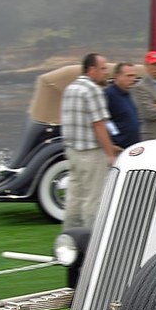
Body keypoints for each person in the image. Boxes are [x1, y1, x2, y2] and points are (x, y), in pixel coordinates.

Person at [61, 52, 119, 230]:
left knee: (74, 197)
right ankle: (91, 242)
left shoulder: (71, 89)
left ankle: (69, 237)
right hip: (91, 152)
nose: (106, 73)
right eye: (102, 69)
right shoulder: (93, 90)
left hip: (72, 151)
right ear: (91, 70)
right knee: (94, 198)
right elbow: (99, 125)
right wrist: (110, 154)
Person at [104, 61, 141, 149]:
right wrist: (114, 141)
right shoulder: (109, 95)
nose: (133, 79)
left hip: (132, 147)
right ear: (117, 76)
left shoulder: (129, 94)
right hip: (119, 148)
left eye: (134, 76)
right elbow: (104, 121)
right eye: (129, 76)